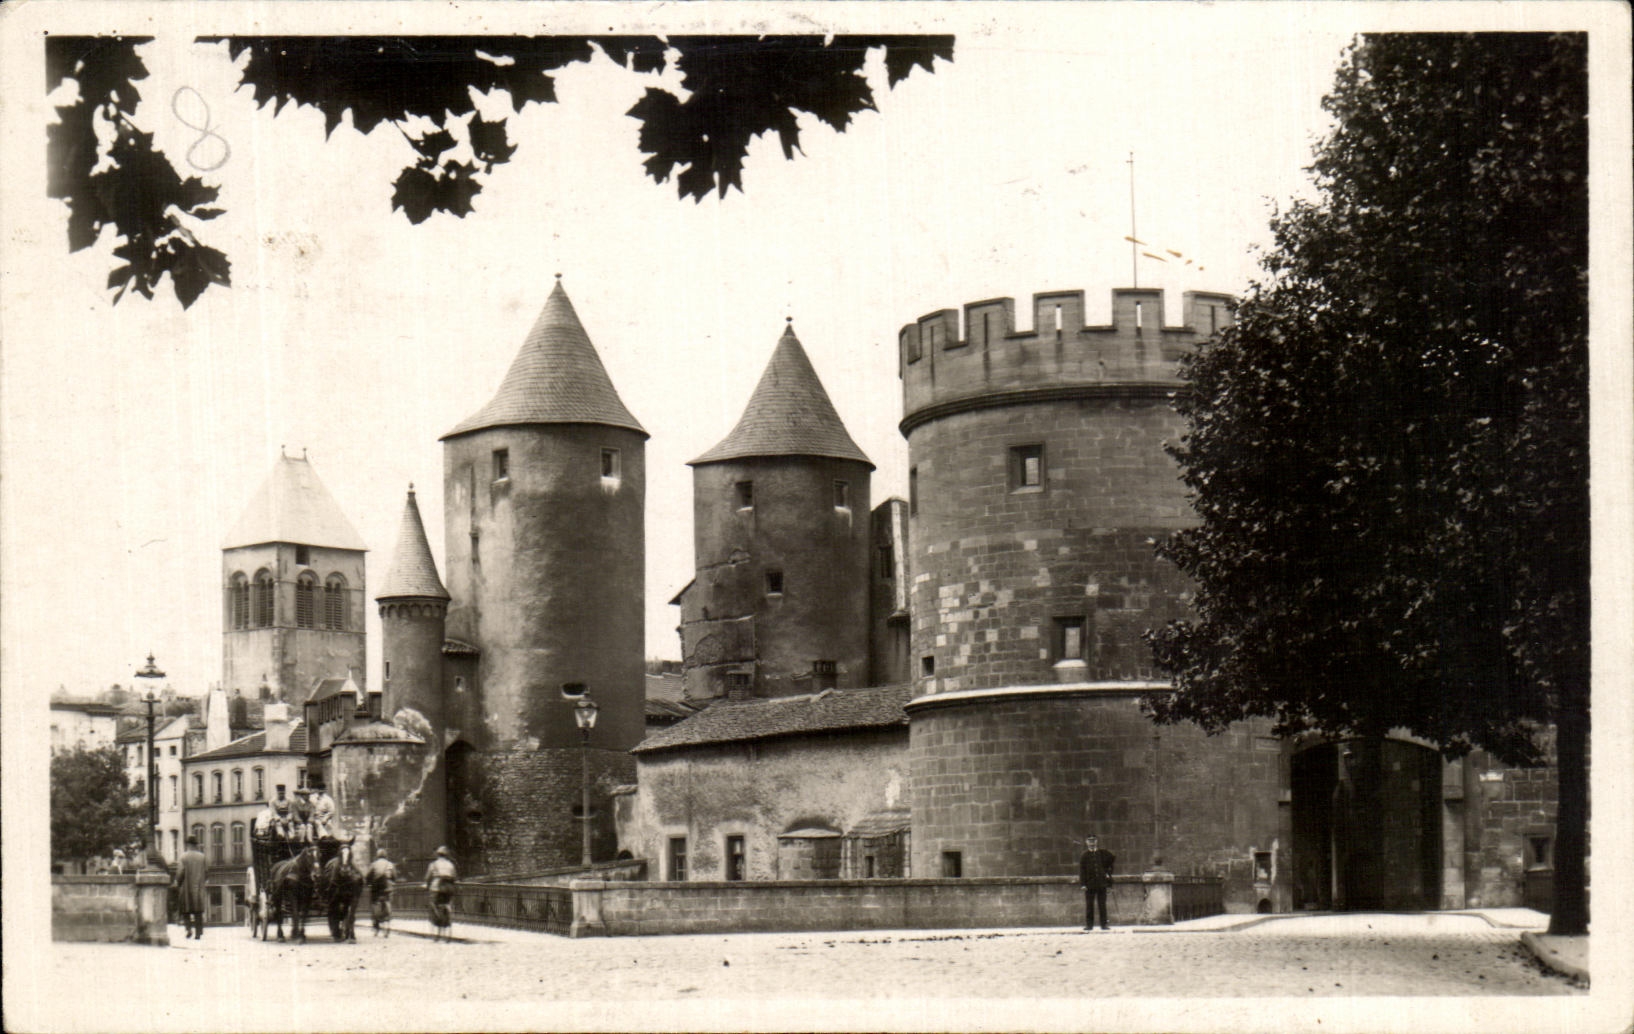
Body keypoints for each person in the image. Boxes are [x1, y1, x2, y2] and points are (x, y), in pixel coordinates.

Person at [1078, 833, 1115, 931]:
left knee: (1102, 905)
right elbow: (1082, 871)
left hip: (1101, 883)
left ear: (1096, 841)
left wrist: (1108, 874)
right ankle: (1089, 925)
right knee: (1089, 905)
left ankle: (1104, 925)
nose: (1092, 843)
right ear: (1086, 842)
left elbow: (1111, 862)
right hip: (1089, 884)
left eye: (1093, 841)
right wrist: (1083, 884)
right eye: (1089, 841)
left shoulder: (1102, 853)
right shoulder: (1084, 856)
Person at [174, 835, 208, 940]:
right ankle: (198, 933)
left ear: (188, 844)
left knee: (185, 910)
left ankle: (188, 929)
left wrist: (178, 883)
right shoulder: (202, 857)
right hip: (198, 887)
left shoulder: (183, 857)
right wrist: (202, 881)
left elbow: (180, 872)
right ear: (196, 845)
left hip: (186, 887)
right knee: (198, 912)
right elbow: (207, 872)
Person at [424, 846, 457, 942]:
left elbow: (427, 877)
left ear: (437, 854)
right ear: (446, 855)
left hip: (436, 888)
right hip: (448, 889)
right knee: (447, 903)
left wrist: (426, 885)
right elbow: (454, 877)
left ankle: (436, 924)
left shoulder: (433, 865)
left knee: (433, 905)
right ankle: (448, 914)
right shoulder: (451, 864)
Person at [365, 849, 399, 937]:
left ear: (377, 856)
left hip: (377, 888)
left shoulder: (374, 864)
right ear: (386, 855)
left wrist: (368, 883)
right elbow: (394, 877)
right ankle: (388, 923)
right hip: (388, 888)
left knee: (374, 904)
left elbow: (368, 876)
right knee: (388, 901)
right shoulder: (390, 864)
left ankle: (376, 926)